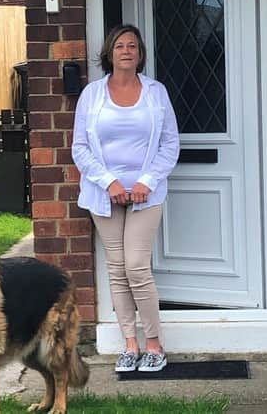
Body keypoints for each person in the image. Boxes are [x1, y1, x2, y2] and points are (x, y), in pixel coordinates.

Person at [71, 24, 179, 373]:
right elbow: (80, 148)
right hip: (105, 196)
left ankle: (154, 344)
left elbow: (169, 144)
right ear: (110, 53)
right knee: (117, 270)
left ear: (140, 53)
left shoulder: (155, 92)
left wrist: (147, 181)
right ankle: (129, 345)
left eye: (133, 46)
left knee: (136, 266)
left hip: (146, 195)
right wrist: (109, 182)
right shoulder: (92, 94)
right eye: (120, 46)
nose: (126, 51)